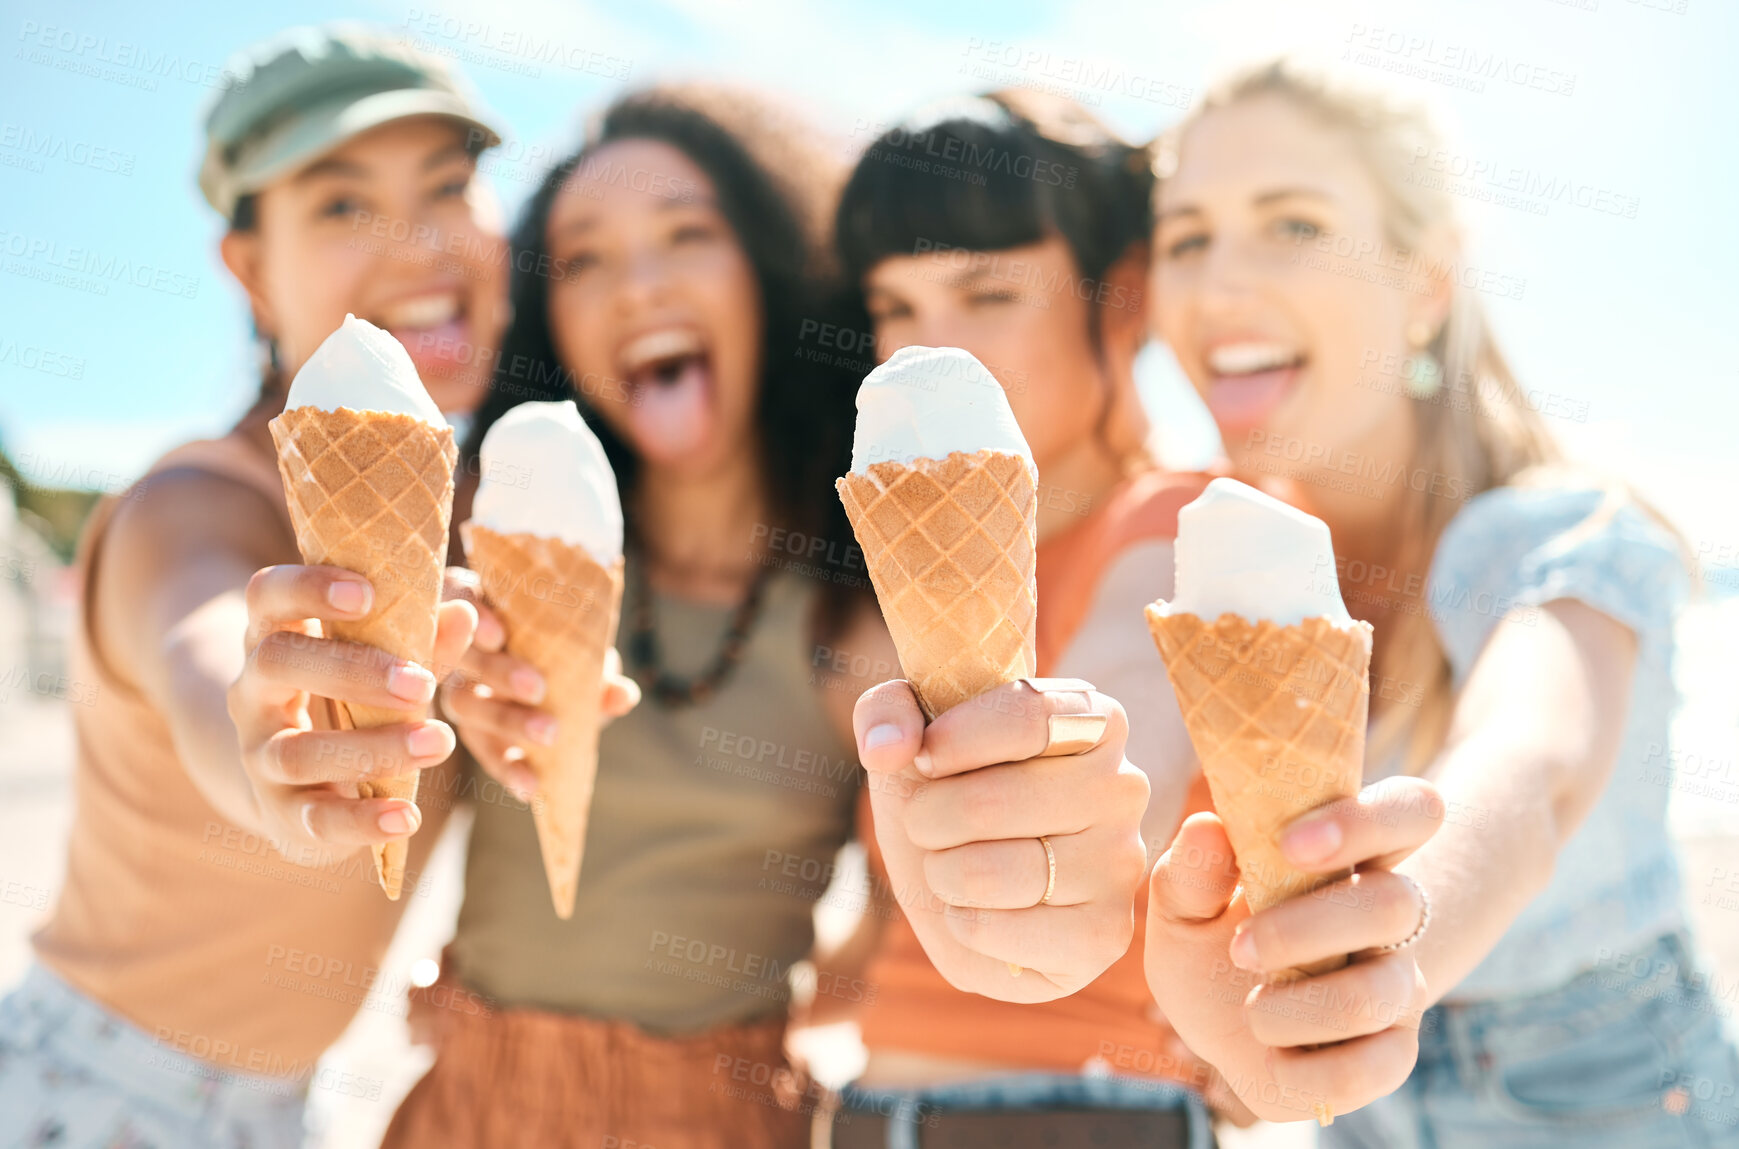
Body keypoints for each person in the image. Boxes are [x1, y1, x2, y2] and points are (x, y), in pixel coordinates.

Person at [232, 84, 1150, 1149]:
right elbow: (235, 659)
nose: (640, 285)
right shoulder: (478, 549)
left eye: (686, 234)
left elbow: (941, 914)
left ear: (768, 270)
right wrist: (287, 726)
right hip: (465, 1109)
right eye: (583, 258)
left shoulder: (862, 618)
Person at [823, 90, 1441, 1147]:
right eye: (896, 305)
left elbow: (1121, 767)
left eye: (985, 293)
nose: (931, 348)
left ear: (1119, 304)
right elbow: (891, 939)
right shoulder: (911, 578)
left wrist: (1068, 822)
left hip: (1076, 1122)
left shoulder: (1183, 528)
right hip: (878, 1115)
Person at [1142, 58, 1739, 1142]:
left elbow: (1531, 766)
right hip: (1367, 1114)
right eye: (1184, 238)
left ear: (1423, 283)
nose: (1218, 283)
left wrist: (1380, 960)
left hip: (1609, 1097)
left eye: (1291, 224)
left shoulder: (1551, 529)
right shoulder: (1223, 590)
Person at [0, 26, 509, 1148]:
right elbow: (209, 645)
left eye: (451, 186)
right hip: (82, 1103)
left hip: (294, 1113)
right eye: (339, 205)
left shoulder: (483, 513)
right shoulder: (189, 504)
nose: (420, 241)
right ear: (247, 267)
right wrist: (270, 738)